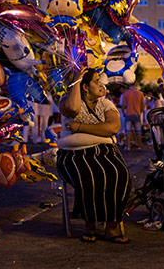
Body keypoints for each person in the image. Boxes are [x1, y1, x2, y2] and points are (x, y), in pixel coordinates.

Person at [57, 68, 131, 244]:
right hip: (74, 155)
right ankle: (90, 225)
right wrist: (76, 80)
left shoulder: (105, 104)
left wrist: (80, 128)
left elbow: (112, 128)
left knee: (120, 174)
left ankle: (111, 227)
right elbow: (73, 109)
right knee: (90, 175)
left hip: (105, 152)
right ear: (84, 87)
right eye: (96, 81)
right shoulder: (65, 101)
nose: (101, 84)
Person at [120, 85, 146, 149]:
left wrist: (123, 113)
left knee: (128, 131)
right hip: (137, 114)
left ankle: (128, 146)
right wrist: (140, 112)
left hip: (128, 114)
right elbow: (143, 104)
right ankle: (139, 146)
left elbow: (123, 105)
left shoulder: (126, 93)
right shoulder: (140, 93)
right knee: (138, 131)